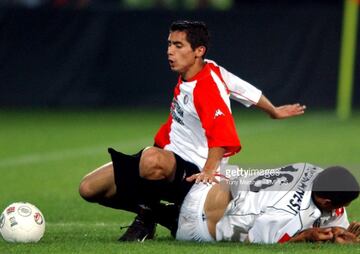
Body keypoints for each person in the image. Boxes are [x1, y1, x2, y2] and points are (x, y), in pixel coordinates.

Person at [78, 20, 306, 242]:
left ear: (198, 51)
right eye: (169, 44)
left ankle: (145, 219)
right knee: (88, 188)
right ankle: (167, 215)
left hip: (191, 171)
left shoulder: (206, 87)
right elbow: (245, 90)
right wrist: (273, 110)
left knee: (151, 159)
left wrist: (208, 171)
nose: (170, 52)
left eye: (178, 46)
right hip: (169, 158)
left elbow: (222, 133)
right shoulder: (209, 68)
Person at [176, 163, 360, 243]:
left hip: (210, 183)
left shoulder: (313, 171)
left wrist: (342, 231)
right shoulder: (290, 215)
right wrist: (305, 236)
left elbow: (333, 217)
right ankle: (162, 214)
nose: (344, 209)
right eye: (345, 204)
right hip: (196, 224)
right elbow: (255, 242)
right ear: (327, 202)